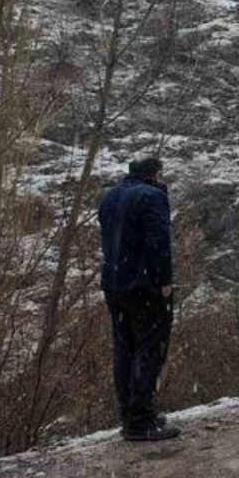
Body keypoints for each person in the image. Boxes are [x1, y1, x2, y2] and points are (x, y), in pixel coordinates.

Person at [99, 157, 180, 442]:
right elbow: (158, 242)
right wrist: (164, 281)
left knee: (125, 350)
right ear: (156, 173)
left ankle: (130, 414)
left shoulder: (110, 197)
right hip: (144, 285)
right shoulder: (152, 196)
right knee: (150, 349)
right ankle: (140, 420)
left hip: (114, 284)